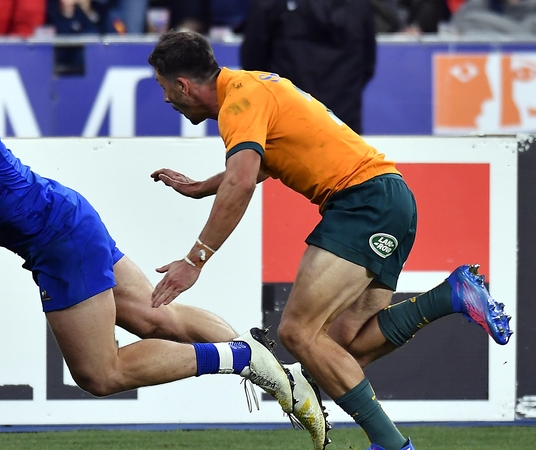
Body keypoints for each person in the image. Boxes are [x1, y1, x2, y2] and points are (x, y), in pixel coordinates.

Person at [0, 29, 306, 424]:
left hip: (56, 238)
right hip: (67, 218)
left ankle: (239, 358)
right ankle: (271, 368)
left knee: (100, 373)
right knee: (157, 319)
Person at [147, 30, 513, 450]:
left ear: (183, 85)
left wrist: (195, 260)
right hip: (389, 199)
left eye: (163, 87)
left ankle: (392, 445)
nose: (165, 99)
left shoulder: (239, 102)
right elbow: (260, 164)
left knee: (298, 333)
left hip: (363, 203)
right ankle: (449, 296)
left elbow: (243, 181)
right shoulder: (252, 86)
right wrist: (203, 187)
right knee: (343, 347)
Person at [239, 0, 376, 135]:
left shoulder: (271, 4)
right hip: (343, 121)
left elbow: (253, 61)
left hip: (288, 118)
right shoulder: (360, 4)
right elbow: (368, 63)